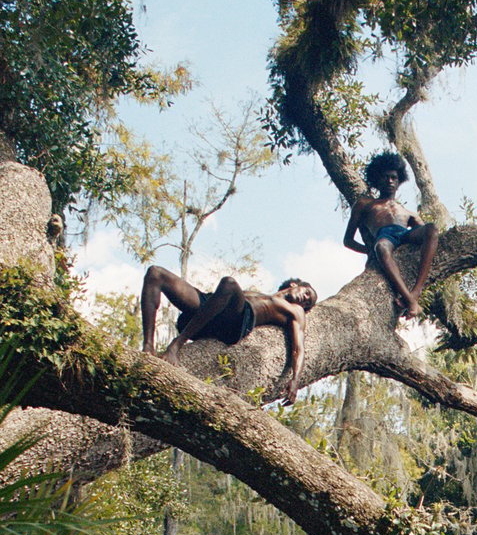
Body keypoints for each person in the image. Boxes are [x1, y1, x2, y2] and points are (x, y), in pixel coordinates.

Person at [140, 266, 318, 405]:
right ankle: (148, 347)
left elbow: (298, 348)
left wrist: (295, 380)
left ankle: (176, 345)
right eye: (307, 293)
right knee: (155, 273)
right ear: (296, 284)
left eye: (308, 303)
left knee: (230, 284)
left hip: (237, 322)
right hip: (211, 308)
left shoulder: (295, 311)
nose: (305, 300)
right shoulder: (263, 294)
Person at [343, 151, 439, 318]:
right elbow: (348, 240)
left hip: (405, 235)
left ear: (399, 180)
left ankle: (416, 292)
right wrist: (369, 250)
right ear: (377, 179)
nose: (389, 181)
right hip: (385, 237)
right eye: (385, 177)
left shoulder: (408, 212)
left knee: (432, 229)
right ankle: (410, 300)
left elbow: (426, 235)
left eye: (394, 177)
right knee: (381, 247)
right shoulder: (365, 204)